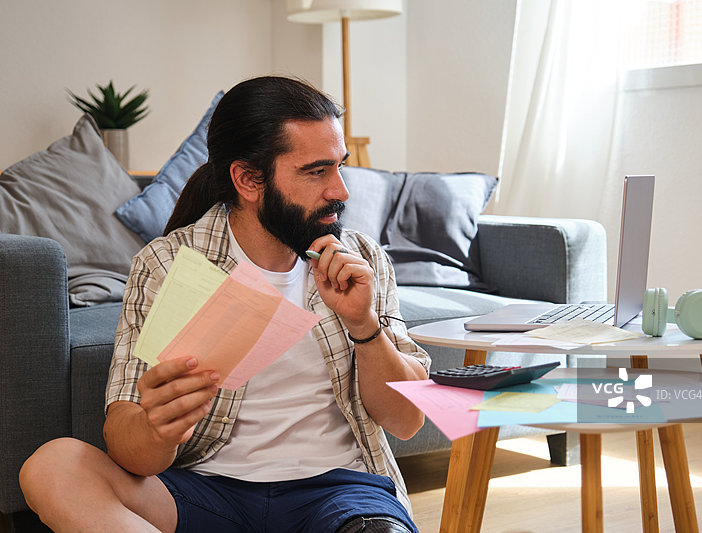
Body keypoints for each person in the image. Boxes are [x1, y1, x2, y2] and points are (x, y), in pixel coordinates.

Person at [19, 76, 430, 533]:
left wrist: (365, 325)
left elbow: (407, 420)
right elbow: (125, 444)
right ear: (249, 179)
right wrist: (157, 427)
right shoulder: (168, 264)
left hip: (337, 494)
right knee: (53, 465)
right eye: (316, 171)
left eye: (339, 166)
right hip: (207, 492)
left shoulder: (362, 259)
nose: (341, 190)